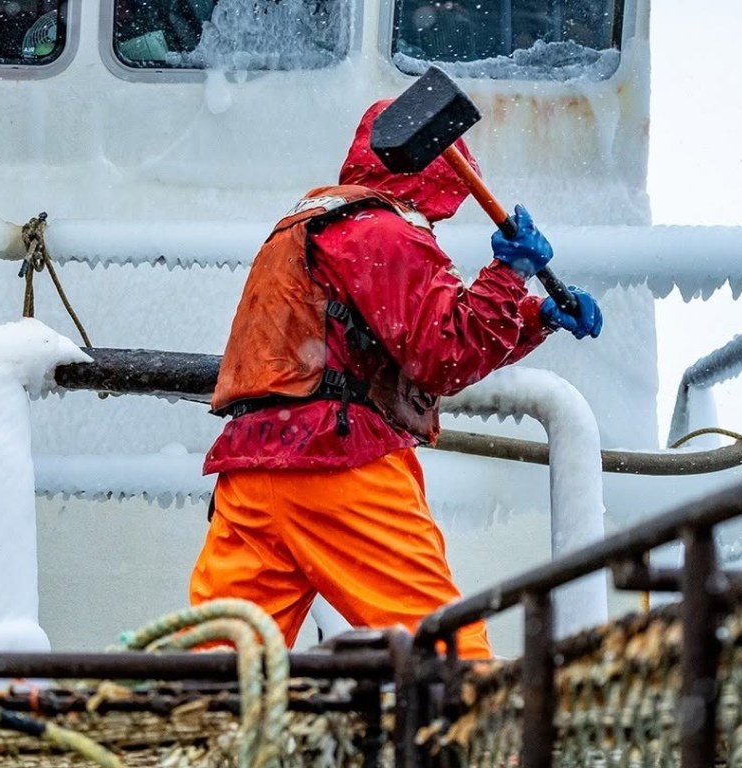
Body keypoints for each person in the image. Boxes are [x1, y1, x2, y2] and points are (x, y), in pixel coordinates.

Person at [190, 99, 603, 659]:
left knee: (217, 664)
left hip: (252, 471)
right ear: (435, 175)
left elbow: (400, 336)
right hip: (334, 464)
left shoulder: (314, 223)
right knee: (448, 653)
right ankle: (477, 720)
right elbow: (444, 354)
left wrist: (534, 318)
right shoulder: (382, 231)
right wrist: (509, 275)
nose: (435, 224)